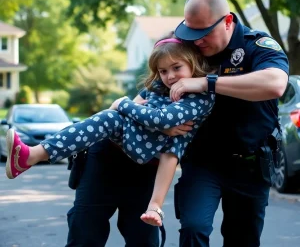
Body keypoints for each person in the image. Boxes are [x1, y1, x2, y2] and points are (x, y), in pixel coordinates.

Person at [5, 35, 215, 228]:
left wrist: (121, 103)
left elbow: (159, 119)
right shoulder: (159, 87)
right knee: (107, 119)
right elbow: (141, 112)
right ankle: (31, 156)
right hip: (133, 146)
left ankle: (33, 156)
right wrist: (133, 110)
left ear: (193, 63)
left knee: (111, 117)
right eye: (163, 71)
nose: (169, 76)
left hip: (149, 150)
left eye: (176, 67)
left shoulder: (200, 96)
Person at [163, 0, 289, 247]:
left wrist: (207, 83)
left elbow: (275, 84)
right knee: (194, 228)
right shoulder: (187, 49)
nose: (197, 41)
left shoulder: (257, 45)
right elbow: (155, 88)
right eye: (191, 32)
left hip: (250, 163)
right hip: (201, 162)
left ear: (228, 21)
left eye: (204, 33)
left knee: (242, 238)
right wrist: (157, 122)